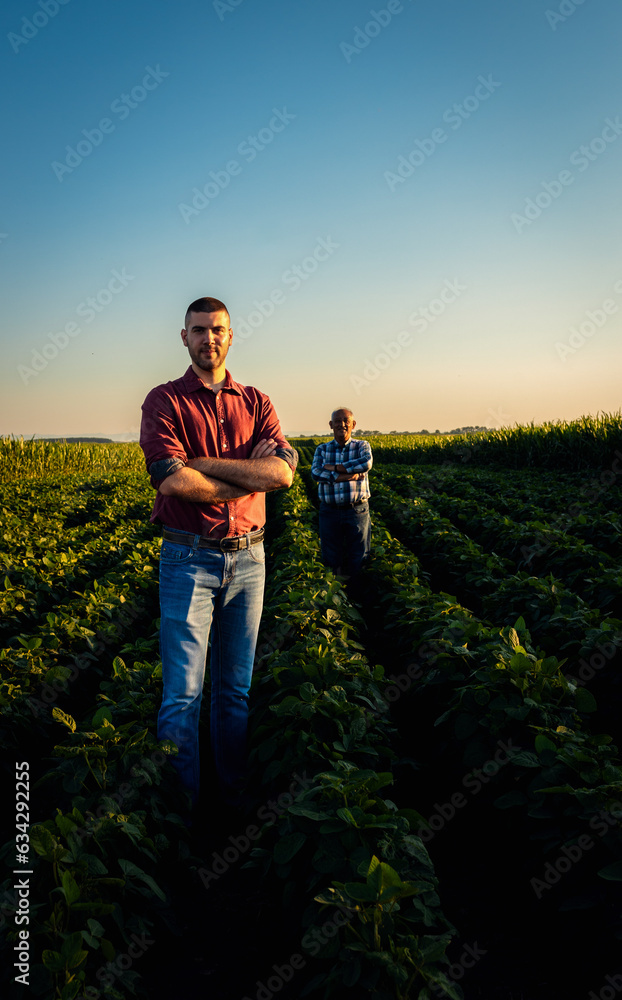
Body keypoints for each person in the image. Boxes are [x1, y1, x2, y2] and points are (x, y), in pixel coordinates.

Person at [139, 296, 297, 815]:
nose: (211, 338)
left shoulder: (258, 402)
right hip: (189, 559)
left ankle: (230, 801)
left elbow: (281, 473)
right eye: (200, 330)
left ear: (232, 336)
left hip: (250, 559)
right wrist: (239, 472)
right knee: (182, 696)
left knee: (234, 692)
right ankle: (179, 816)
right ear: (183, 337)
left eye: (219, 330)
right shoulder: (164, 401)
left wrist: (204, 464)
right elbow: (171, 478)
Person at [311, 408, 372, 580]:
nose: (342, 424)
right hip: (329, 510)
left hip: (356, 510)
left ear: (353, 424)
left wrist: (334, 469)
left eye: (346, 420)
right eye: (337, 421)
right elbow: (316, 473)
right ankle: (335, 593)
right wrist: (348, 476)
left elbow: (366, 464)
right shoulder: (322, 449)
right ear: (331, 425)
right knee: (331, 556)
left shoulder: (362, 446)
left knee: (358, 555)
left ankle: (356, 593)